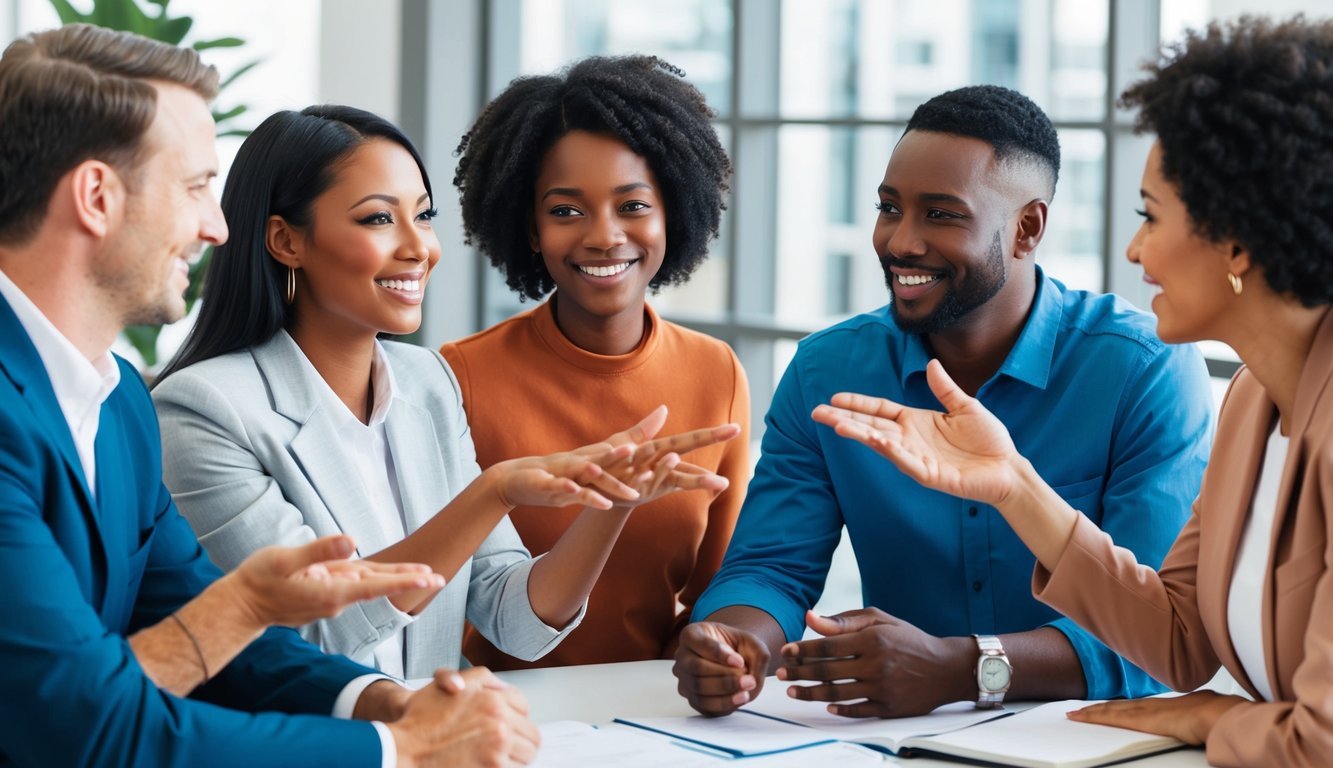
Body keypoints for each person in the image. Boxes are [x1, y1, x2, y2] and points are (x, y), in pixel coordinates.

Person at [0, 23, 539, 767]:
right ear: (96, 196)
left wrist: (382, 700)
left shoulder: (119, 400)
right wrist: (398, 751)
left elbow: (208, 628)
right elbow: (91, 724)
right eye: (195, 187)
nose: (217, 226)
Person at [811, 15, 1333, 765]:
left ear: (1238, 244)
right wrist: (1014, 486)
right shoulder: (1254, 401)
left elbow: (1317, 739)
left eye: (1149, 218)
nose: (1133, 250)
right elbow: (1180, 641)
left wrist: (1213, 723)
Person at [674, 84, 1216, 718]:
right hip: (889, 741)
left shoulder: (1142, 370)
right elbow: (771, 566)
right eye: (889, 207)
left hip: (1088, 740)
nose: (900, 241)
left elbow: (1159, 633)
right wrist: (736, 643)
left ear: (1026, 228)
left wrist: (965, 670)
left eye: (941, 214)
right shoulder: (827, 369)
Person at [151, 102, 739, 681]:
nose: (419, 248)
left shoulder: (426, 383)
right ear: (286, 241)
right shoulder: (203, 410)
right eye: (378, 219)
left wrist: (613, 504)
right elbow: (314, 628)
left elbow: (517, 622)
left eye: (423, 216)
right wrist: (494, 493)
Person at [441, 54, 751, 668]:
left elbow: (718, 588)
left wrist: (714, 659)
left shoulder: (716, 372)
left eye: (633, 206)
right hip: (496, 719)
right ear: (529, 228)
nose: (605, 235)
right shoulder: (459, 377)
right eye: (565, 211)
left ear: (674, 211)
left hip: (655, 712)